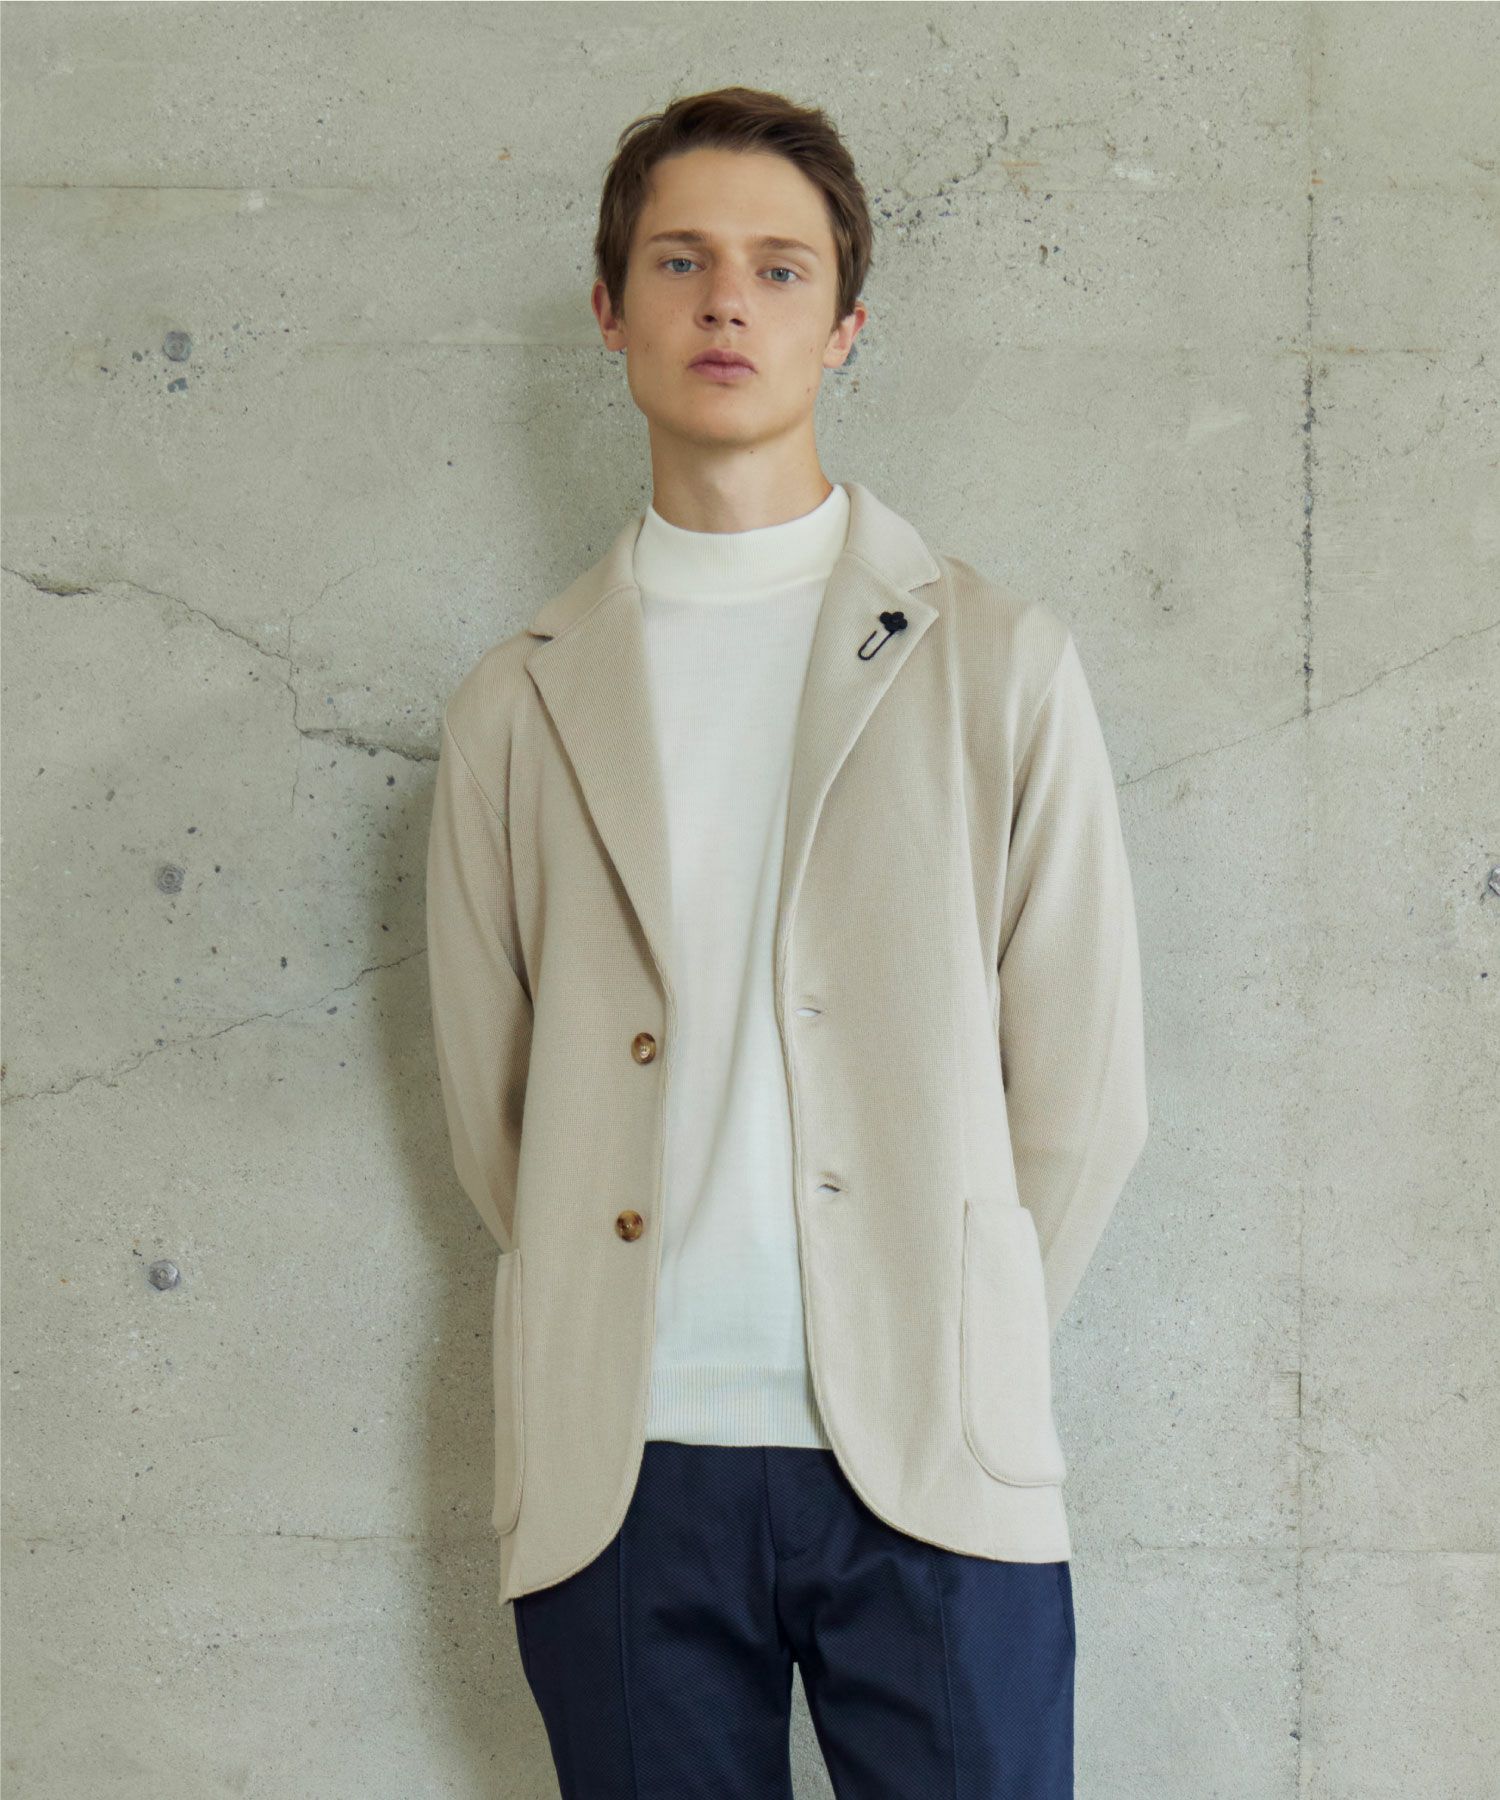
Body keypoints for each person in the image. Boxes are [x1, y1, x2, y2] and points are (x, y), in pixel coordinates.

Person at [424, 84, 1148, 1799]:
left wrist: (941, 1332)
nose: (727, 302)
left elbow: (1082, 1094)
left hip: (929, 1464)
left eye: (779, 266)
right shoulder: (518, 702)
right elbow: (493, 1109)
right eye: (679, 262)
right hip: (622, 1471)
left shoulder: (999, 661)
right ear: (611, 312)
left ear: (845, 325)